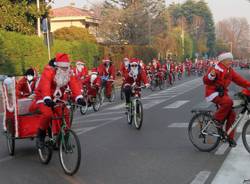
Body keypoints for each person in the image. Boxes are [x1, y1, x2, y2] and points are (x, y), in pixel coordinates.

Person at [30, 53, 86, 148]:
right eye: (62, 67)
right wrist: (47, 98)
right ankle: (41, 136)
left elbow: (74, 85)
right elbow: (45, 85)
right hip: (43, 97)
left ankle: (63, 141)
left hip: (58, 99)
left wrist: (79, 98)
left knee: (66, 114)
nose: (65, 69)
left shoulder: (68, 73)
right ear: (57, 66)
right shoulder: (48, 71)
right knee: (47, 114)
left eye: (66, 67)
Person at [203, 52, 250, 147]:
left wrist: (248, 84)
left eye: (231, 60)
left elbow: (239, 80)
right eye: (229, 60)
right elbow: (206, 80)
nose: (231, 62)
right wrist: (211, 76)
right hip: (212, 92)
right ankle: (217, 119)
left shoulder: (230, 70)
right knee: (228, 102)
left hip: (222, 93)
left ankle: (229, 137)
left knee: (232, 114)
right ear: (223, 61)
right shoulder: (215, 68)